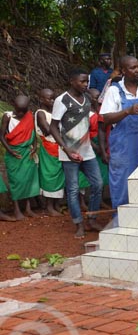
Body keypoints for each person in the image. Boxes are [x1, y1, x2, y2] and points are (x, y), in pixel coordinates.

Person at [49, 69, 104, 237]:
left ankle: (92, 219)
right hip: (69, 153)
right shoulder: (62, 100)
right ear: (72, 81)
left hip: (87, 151)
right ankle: (78, 223)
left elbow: (87, 122)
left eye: (87, 81)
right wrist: (66, 149)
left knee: (98, 184)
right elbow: (53, 127)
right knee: (73, 190)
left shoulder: (87, 97)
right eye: (82, 81)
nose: (85, 84)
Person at [100, 55, 138, 212]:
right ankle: (121, 220)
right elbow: (105, 118)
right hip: (124, 144)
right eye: (133, 68)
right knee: (123, 183)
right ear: (123, 71)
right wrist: (127, 111)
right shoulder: (114, 91)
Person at [0, 95, 40, 220]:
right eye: (18, 110)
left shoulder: (30, 116)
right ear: (13, 106)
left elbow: (32, 133)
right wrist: (10, 151)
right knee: (16, 181)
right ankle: (17, 209)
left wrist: (34, 146)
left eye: (23, 110)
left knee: (29, 179)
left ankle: (28, 208)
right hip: (14, 153)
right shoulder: (7, 116)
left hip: (28, 152)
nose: (21, 113)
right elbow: (1, 136)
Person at [35, 88, 64, 216]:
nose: (52, 101)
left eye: (53, 98)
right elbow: (47, 130)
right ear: (41, 99)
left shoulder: (54, 113)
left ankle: (56, 204)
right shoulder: (40, 113)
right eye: (49, 98)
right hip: (48, 147)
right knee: (49, 175)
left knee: (59, 175)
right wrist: (58, 126)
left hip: (59, 146)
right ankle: (49, 206)